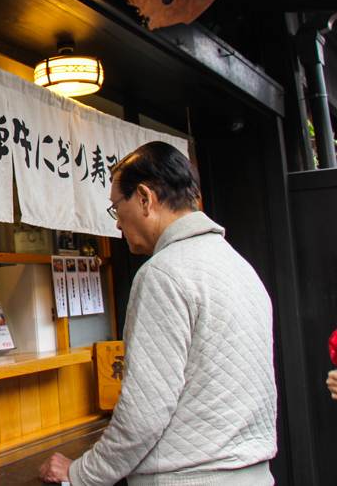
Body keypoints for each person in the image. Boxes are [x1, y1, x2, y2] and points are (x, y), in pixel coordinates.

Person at [39, 141, 276, 486]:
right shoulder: (240, 267)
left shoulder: (163, 273)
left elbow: (142, 416)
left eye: (116, 208)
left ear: (145, 198)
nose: (117, 224)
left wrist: (80, 473)